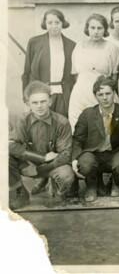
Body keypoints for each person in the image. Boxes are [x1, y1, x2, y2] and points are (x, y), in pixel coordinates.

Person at [9, 81, 75, 210]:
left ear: (50, 101)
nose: (39, 106)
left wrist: (41, 170)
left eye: (43, 101)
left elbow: (65, 155)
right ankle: (21, 193)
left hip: (53, 165)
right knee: (4, 158)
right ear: (28, 104)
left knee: (66, 175)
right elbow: (10, 145)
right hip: (30, 164)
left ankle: (58, 195)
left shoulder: (62, 122)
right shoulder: (24, 121)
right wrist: (42, 158)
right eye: (35, 102)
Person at [72, 76, 119, 202]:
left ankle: (117, 183)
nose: (105, 98)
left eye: (108, 93)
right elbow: (77, 140)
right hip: (93, 154)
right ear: (95, 96)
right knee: (85, 164)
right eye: (100, 94)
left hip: (115, 152)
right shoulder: (87, 114)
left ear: (114, 94)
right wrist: (74, 160)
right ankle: (91, 186)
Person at [68, 14, 119, 130]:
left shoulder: (112, 48)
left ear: (105, 30)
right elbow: (75, 73)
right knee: (78, 125)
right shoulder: (79, 46)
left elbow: (115, 75)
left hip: (103, 92)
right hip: (80, 93)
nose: (96, 32)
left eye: (99, 28)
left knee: (104, 125)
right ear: (87, 29)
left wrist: (106, 92)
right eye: (93, 28)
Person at [22, 9, 76, 118]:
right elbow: (26, 73)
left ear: (62, 23)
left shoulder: (71, 45)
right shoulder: (34, 42)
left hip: (62, 95)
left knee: (61, 124)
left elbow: (72, 75)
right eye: (50, 23)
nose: (54, 26)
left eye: (57, 22)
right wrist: (26, 98)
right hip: (40, 95)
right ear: (45, 24)